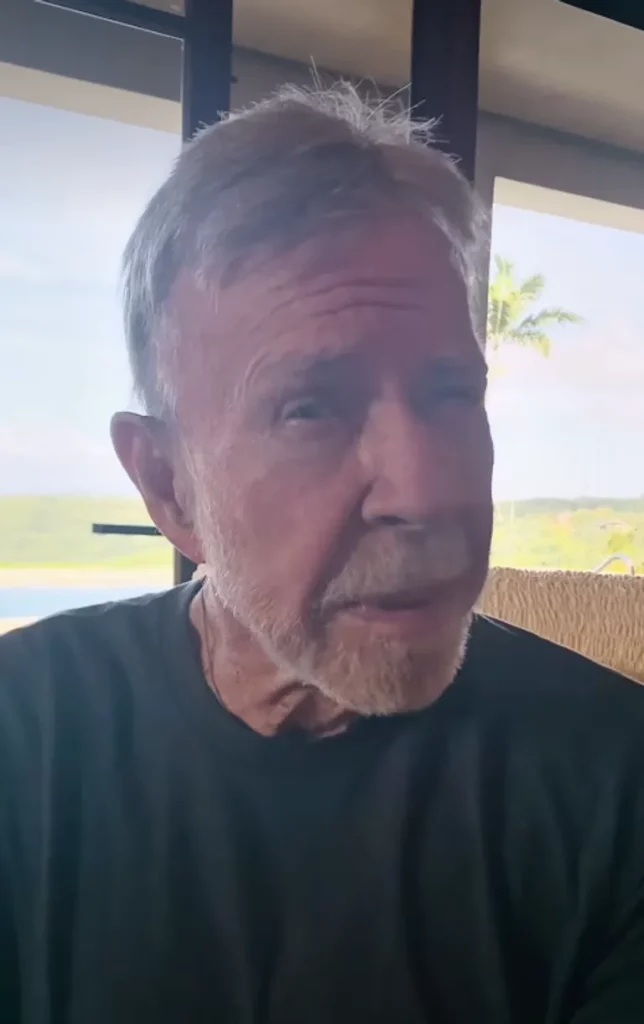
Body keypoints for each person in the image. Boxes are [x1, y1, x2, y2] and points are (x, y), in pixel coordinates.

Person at [1, 83, 643, 1024]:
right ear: (170, 486)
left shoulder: (617, 788)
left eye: (451, 394)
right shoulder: (25, 738)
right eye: (312, 408)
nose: (426, 493)